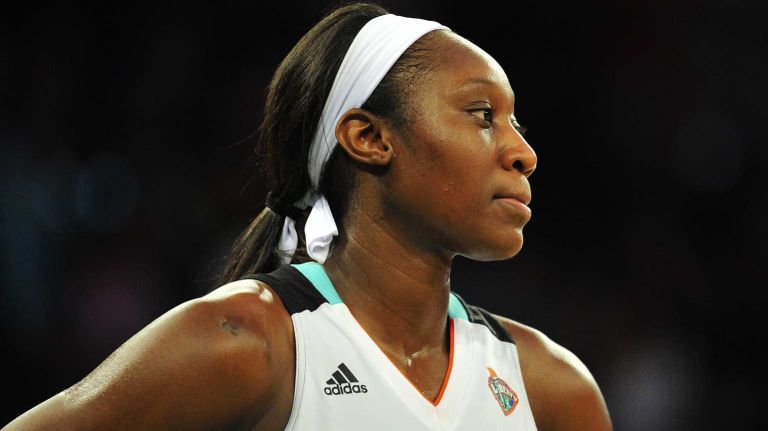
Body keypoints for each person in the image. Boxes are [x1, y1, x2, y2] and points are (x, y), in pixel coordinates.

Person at [3, 3, 612, 430]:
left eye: (515, 122)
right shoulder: (247, 345)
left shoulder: (552, 388)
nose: (523, 152)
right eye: (482, 115)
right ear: (370, 138)